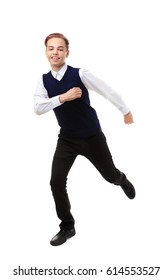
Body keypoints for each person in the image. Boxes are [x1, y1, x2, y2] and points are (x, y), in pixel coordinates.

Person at [34, 33, 136, 246]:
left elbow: (106, 91)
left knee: (109, 176)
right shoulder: (43, 81)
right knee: (56, 181)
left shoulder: (80, 74)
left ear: (67, 52)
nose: (55, 52)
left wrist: (125, 110)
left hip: (92, 137)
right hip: (67, 140)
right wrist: (64, 97)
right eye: (51, 48)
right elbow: (38, 108)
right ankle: (67, 226)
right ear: (46, 52)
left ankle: (121, 178)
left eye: (60, 48)